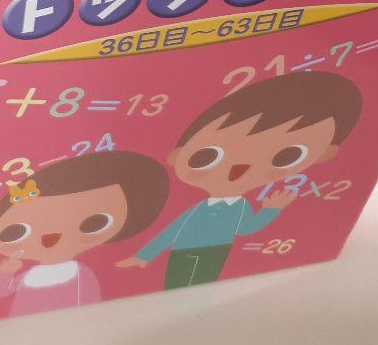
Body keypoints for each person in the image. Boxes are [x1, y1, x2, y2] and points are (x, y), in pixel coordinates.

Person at [116, 71, 362, 289]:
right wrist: (144, 256)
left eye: (285, 156)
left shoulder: (240, 206)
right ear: (177, 155)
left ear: (324, 154)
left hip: (217, 251)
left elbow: (246, 228)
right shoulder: (200, 209)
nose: (240, 169)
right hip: (183, 252)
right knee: (177, 283)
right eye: (208, 156)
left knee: (202, 283)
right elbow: (171, 231)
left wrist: (271, 210)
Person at [0, 151, 169, 317]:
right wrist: (4, 272)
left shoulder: (80, 274)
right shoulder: (29, 277)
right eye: (17, 231)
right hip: (29, 327)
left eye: (93, 224)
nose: (51, 237)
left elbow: (90, 299)